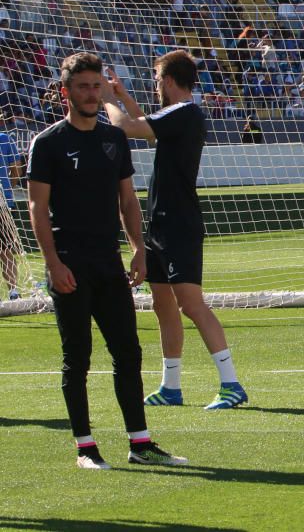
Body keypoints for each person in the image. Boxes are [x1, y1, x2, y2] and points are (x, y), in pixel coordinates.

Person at [27, 52, 186, 469]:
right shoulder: (48, 143)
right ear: (66, 92)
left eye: (97, 86)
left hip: (109, 263)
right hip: (69, 265)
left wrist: (137, 246)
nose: (92, 94)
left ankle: (140, 443)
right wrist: (52, 263)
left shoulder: (113, 139)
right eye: (83, 86)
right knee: (77, 357)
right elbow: (37, 209)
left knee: (128, 353)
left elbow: (128, 199)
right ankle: (85, 447)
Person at [101, 50, 247, 410]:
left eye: (155, 80)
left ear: (167, 80)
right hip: (162, 222)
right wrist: (121, 96)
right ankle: (171, 387)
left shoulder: (185, 112)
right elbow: (150, 127)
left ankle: (231, 384)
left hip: (179, 223)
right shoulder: (180, 115)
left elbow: (126, 129)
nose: (155, 87)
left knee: (191, 305)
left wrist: (107, 100)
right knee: (163, 305)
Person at [0, 111, 20, 300]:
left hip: (2, 202)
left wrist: (7, 189)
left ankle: (13, 289)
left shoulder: (4, 138)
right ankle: (13, 289)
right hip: (3, 201)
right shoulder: (5, 138)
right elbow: (16, 168)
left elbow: (16, 168)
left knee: (6, 248)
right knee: (6, 249)